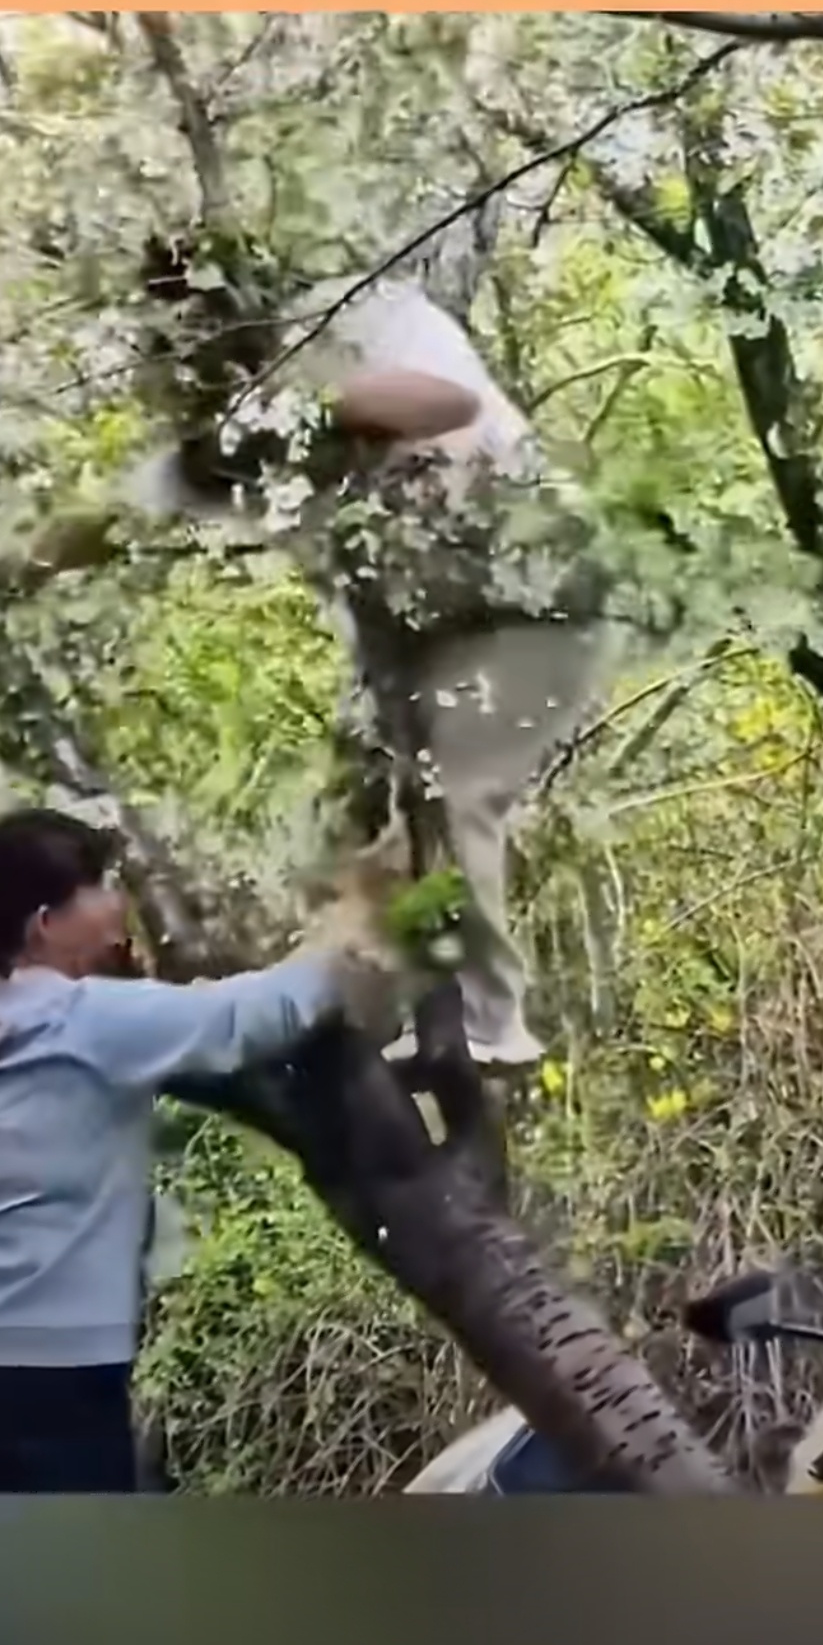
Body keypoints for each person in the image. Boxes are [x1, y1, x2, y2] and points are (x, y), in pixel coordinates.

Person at [129, 254, 679, 1073]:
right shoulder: (260, 410)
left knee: (464, 789)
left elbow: (441, 401)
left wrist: (316, 414)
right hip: (427, 601)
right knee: (389, 802)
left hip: (523, 580)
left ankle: (493, 1019)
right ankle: (406, 1005)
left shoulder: (358, 316)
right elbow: (190, 486)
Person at [0, 806, 392, 1495]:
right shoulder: (88, 1023)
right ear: (45, 924)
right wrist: (368, 928)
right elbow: (256, 1012)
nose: (116, 898)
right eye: (98, 884)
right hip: (42, 1376)